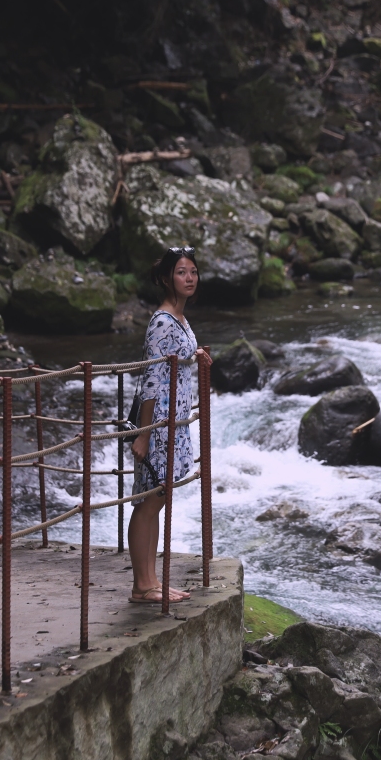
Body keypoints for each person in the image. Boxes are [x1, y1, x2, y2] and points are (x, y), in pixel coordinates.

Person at [128, 246, 212, 603]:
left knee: (158, 499)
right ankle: (142, 585)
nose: (189, 278)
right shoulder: (163, 322)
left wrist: (196, 355)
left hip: (174, 422)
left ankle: (150, 581)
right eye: (181, 272)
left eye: (192, 271)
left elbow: (176, 355)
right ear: (166, 279)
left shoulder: (179, 318)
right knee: (149, 502)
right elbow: (151, 379)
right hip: (160, 423)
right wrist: (145, 435)